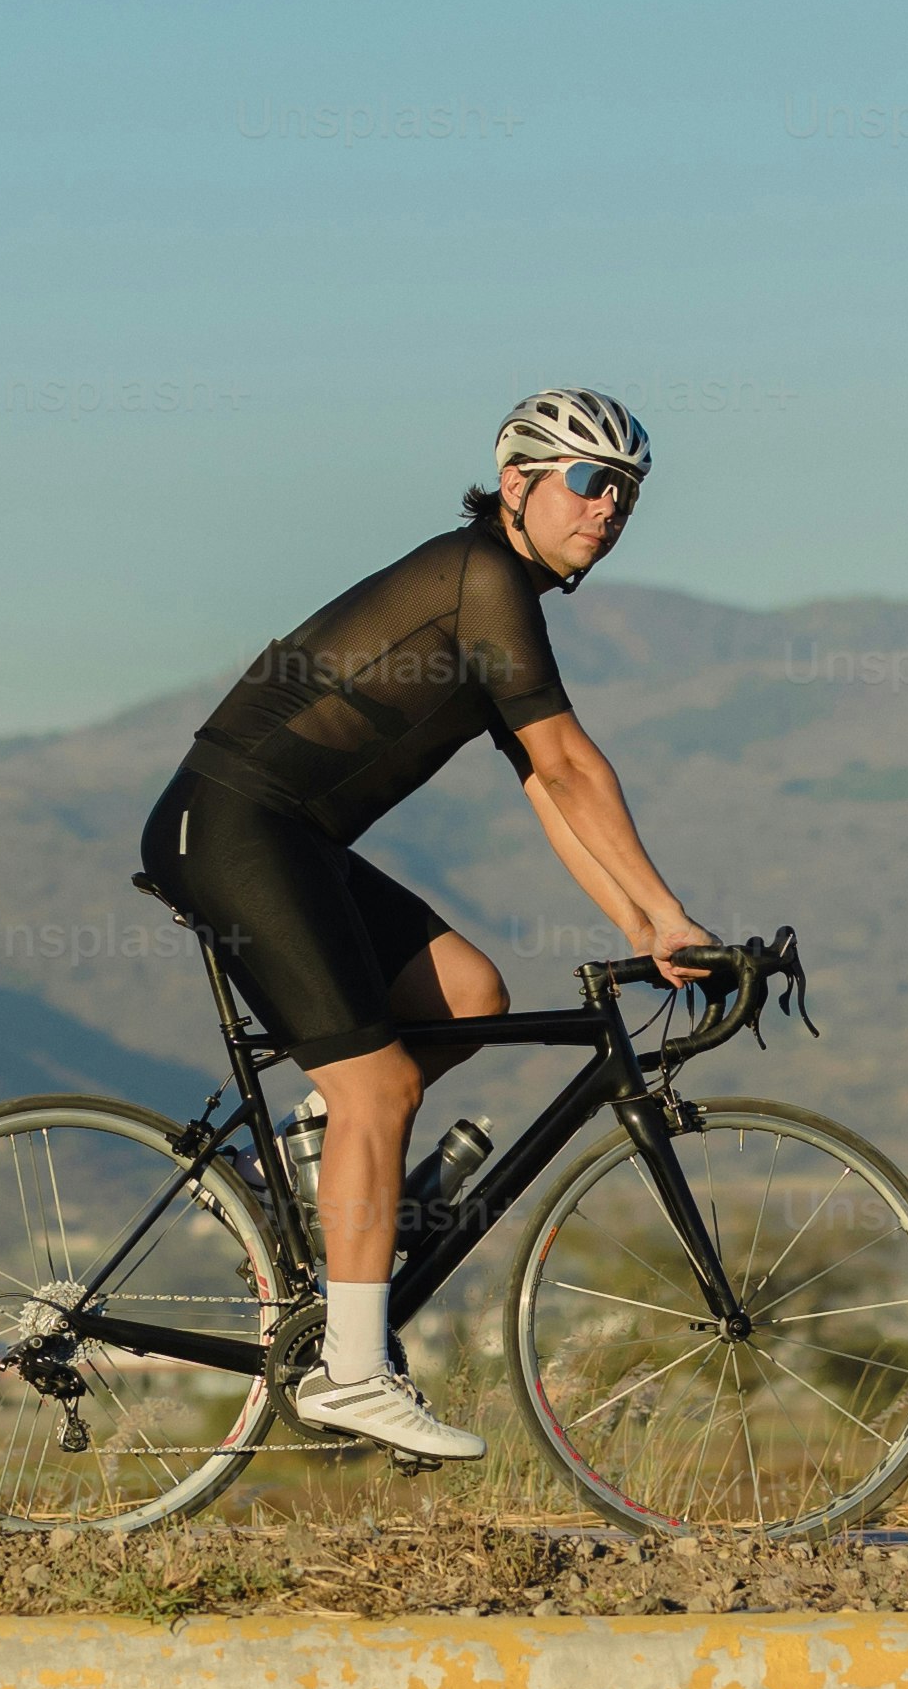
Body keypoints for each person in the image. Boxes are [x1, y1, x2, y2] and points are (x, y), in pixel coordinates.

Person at [138, 387, 716, 1461]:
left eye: (627, 495)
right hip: (229, 827)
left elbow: (548, 796)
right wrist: (671, 914)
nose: (610, 510)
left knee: (470, 994)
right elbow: (569, 762)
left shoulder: (502, 597)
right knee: (384, 1086)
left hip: (290, 840)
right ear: (518, 487)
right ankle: (351, 1374)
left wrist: (649, 924)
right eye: (591, 484)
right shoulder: (481, 576)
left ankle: (304, 1165)